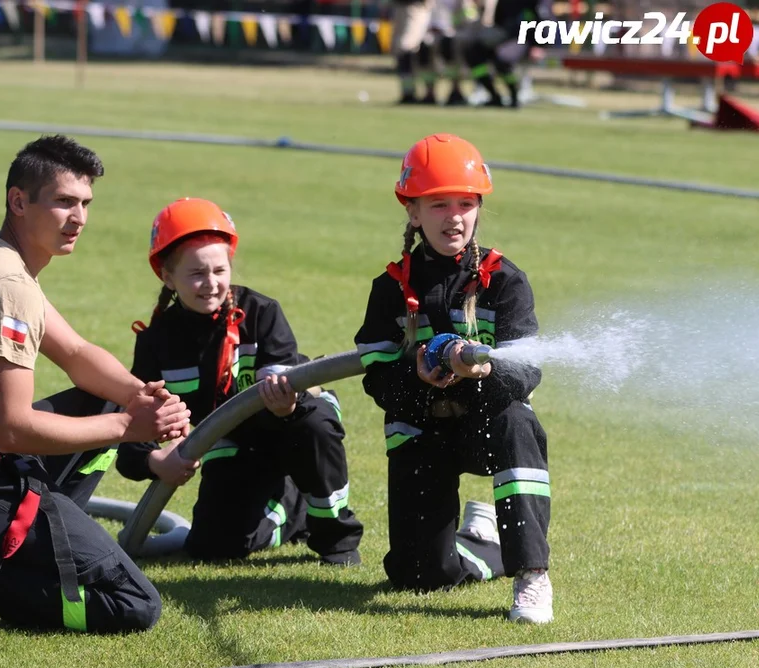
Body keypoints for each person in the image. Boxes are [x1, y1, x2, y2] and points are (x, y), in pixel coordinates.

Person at [0, 135, 193, 634]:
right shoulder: (7, 286)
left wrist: (142, 397)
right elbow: (13, 430)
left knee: (103, 396)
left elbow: (79, 354)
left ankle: (9, 548)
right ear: (18, 201)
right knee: (133, 604)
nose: (79, 218)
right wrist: (130, 426)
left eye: (85, 203)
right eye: (64, 201)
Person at [353, 133, 552, 623]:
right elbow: (375, 378)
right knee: (418, 575)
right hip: (421, 428)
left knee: (518, 422)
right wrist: (418, 374)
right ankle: (483, 544)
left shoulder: (505, 279)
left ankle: (532, 574)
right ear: (413, 212)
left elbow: (527, 369)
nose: (454, 216)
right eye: (438, 204)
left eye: (466, 202)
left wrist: (481, 373)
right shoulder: (390, 288)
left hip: (488, 423)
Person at [115, 198, 364, 566]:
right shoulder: (157, 341)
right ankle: (293, 512)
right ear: (167, 276)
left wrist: (286, 403)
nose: (211, 283)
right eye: (196, 273)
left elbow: (286, 391)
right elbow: (132, 432)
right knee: (213, 548)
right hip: (231, 441)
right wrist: (155, 462)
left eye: (220, 270)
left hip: (291, 424)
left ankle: (336, 539)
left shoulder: (262, 313)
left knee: (315, 425)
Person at [464, 0, 551, 107]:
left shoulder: (532, 3)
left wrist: (539, 45)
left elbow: (543, 21)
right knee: (472, 51)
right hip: (503, 35)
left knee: (502, 58)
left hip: (522, 39)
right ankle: (494, 96)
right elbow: (495, 20)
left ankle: (514, 97)